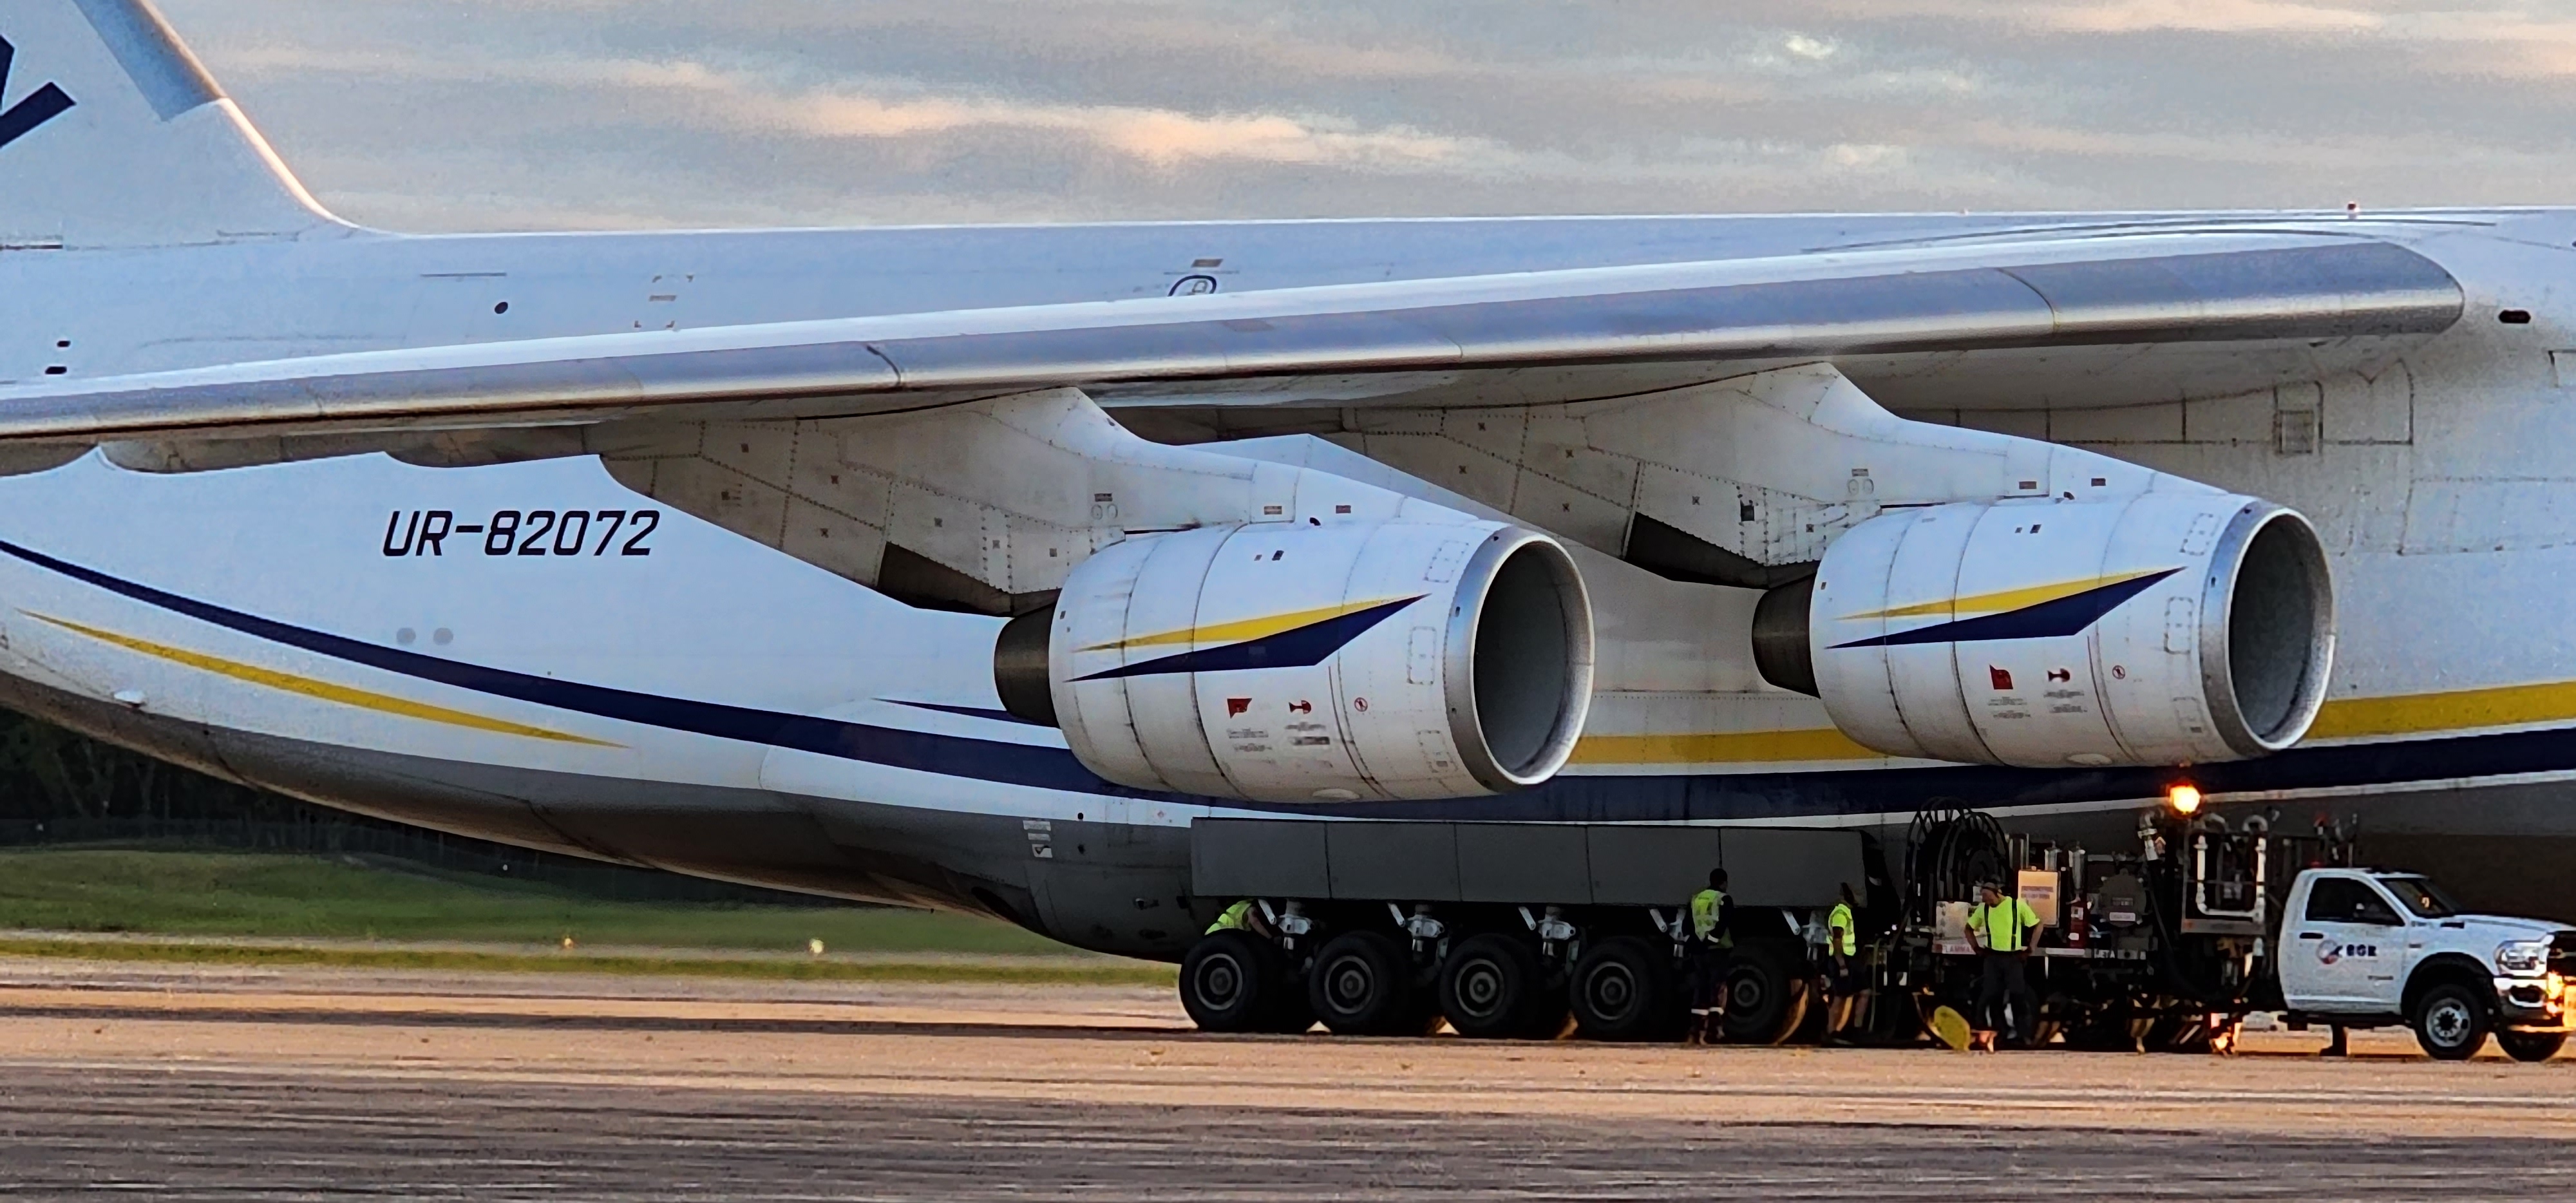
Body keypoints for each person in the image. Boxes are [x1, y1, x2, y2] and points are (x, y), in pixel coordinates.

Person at [1965, 879, 2040, 1051]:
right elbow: (1968, 928)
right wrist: (1976, 947)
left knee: (2017, 996)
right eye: (1983, 897)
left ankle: (2021, 1035)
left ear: (1998, 893)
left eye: (1988, 896)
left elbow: (2038, 925)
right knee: (1992, 996)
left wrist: (2031, 947)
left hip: (2013, 958)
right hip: (1992, 958)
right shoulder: (1983, 909)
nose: (1986, 900)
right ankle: (1998, 1034)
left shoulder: (2016, 906)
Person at [1687, 868, 1735, 1044]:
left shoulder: (1696, 899)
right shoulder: (1724, 899)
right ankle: (1715, 1031)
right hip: (1718, 950)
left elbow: (1688, 925)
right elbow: (1724, 924)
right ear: (1724, 883)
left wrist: (1698, 943)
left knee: (1701, 988)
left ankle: (1696, 1031)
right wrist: (1711, 940)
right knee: (1718, 989)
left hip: (1699, 951)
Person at [1822, 882, 1862, 1041]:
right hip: (1840, 960)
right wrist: (1842, 965)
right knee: (1839, 997)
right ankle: (1831, 1031)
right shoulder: (1840, 914)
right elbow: (1837, 941)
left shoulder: (1845, 912)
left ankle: (1838, 1031)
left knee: (1846, 995)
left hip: (1845, 959)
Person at [1204, 898, 1273, 939]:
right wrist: (1271, 938)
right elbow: (1254, 921)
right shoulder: (1244, 908)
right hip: (1217, 933)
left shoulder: (1240, 906)